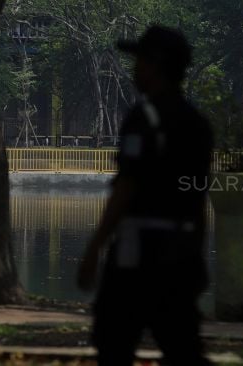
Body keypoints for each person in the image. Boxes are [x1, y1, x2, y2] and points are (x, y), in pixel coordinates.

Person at [77, 25, 213, 366]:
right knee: (182, 347)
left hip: (137, 252)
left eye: (140, 61)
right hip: (182, 251)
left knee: (114, 342)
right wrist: (197, 256)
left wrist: (95, 247)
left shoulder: (144, 117)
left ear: (157, 65)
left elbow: (127, 186)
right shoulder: (198, 123)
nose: (135, 69)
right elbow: (197, 194)